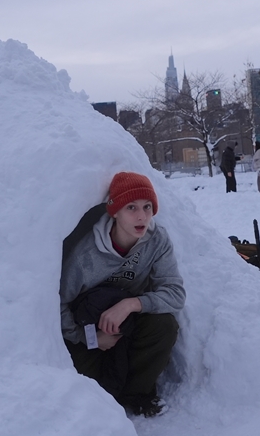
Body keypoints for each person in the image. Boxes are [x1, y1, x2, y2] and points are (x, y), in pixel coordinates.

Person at [60, 172, 185, 417]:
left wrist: (131, 304)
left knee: (164, 326)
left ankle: (136, 393)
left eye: (147, 207)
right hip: (87, 329)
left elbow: (175, 293)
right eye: (131, 207)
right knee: (91, 390)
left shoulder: (157, 241)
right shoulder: (85, 257)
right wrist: (92, 339)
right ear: (114, 211)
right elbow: (58, 304)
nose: (142, 216)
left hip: (127, 321)